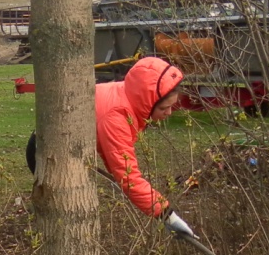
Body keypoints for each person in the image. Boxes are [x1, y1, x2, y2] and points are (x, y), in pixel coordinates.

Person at [27, 55, 195, 236]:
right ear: (148, 101)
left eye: (171, 106)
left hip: (60, 147)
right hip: (51, 154)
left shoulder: (127, 95)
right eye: (163, 108)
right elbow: (128, 177)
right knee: (67, 220)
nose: (169, 113)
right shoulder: (117, 117)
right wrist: (168, 216)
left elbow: (114, 160)